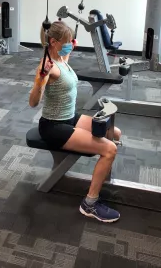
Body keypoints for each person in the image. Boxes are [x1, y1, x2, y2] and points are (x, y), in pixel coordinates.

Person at [29, 21, 121, 223]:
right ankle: (90, 203)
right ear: (53, 42)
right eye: (67, 42)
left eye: (71, 42)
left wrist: (71, 45)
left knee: (115, 132)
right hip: (54, 127)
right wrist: (40, 78)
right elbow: (33, 102)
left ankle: (100, 182)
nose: (70, 45)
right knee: (109, 149)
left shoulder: (62, 57)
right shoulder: (48, 67)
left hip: (69, 117)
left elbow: (65, 56)